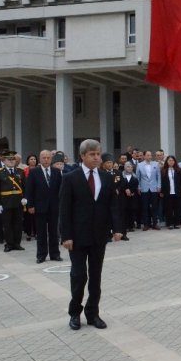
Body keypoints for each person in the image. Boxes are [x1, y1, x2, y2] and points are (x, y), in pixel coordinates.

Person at [59, 139, 124, 331]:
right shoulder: (71, 178)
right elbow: (64, 210)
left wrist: (118, 228)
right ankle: (74, 313)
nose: (97, 158)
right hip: (77, 237)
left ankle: (93, 313)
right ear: (83, 156)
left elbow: (113, 205)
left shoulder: (106, 177)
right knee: (79, 276)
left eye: (98, 154)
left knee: (96, 276)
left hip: (99, 235)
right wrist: (66, 236)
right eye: (92, 155)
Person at [25, 150, 63, 263]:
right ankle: (41, 255)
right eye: (44, 158)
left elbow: (61, 190)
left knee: (53, 232)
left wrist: (61, 204)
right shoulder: (34, 172)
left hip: (54, 207)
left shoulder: (57, 172)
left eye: (48, 158)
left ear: (51, 159)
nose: (46, 160)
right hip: (39, 207)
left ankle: (55, 254)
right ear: (40, 159)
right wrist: (30, 205)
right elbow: (29, 190)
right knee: (41, 233)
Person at [0, 149, 27, 252]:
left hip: (18, 202)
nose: (12, 161)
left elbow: (25, 187)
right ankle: (9, 244)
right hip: (5, 202)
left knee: (18, 224)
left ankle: (17, 243)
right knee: (7, 224)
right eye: (9, 159)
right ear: (4, 160)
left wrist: (25, 197)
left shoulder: (20, 172)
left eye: (13, 159)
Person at [136, 151, 161, 230]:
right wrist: (138, 187)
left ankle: (155, 223)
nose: (149, 156)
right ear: (144, 156)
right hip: (144, 188)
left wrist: (159, 186)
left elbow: (158, 176)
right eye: (148, 155)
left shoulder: (155, 164)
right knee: (145, 207)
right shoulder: (139, 165)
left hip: (154, 188)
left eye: (150, 155)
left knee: (154, 207)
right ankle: (146, 224)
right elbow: (137, 178)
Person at [160, 155, 181, 229]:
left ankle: (177, 223)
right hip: (167, 193)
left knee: (177, 209)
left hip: (177, 192)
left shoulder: (179, 170)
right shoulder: (163, 170)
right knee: (168, 209)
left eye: (172, 160)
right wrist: (161, 191)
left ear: (175, 162)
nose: (171, 162)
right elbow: (161, 182)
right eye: (169, 160)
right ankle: (169, 223)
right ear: (167, 162)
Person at [118, 161, 140, 231]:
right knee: (124, 211)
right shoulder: (120, 175)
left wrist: (132, 191)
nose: (130, 168)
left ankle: (131, 226)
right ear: (125, 167)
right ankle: (125, 226)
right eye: (128, 166)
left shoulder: (135, 176)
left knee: (132, 210)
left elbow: (136, 185)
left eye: (131, 167)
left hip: (132, 196)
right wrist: (125, 189)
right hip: (123, 196)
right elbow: (119, 184)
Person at [23, 154, 38, 241]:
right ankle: (28, 233)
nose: (33, 161)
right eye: (31, 159)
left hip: (37, 195)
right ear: (28, 161)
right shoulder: (24, 171)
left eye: (34, 159)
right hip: (27, 195)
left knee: (36, 215)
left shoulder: (39, 169)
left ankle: (36, 232)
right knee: (28, 216)